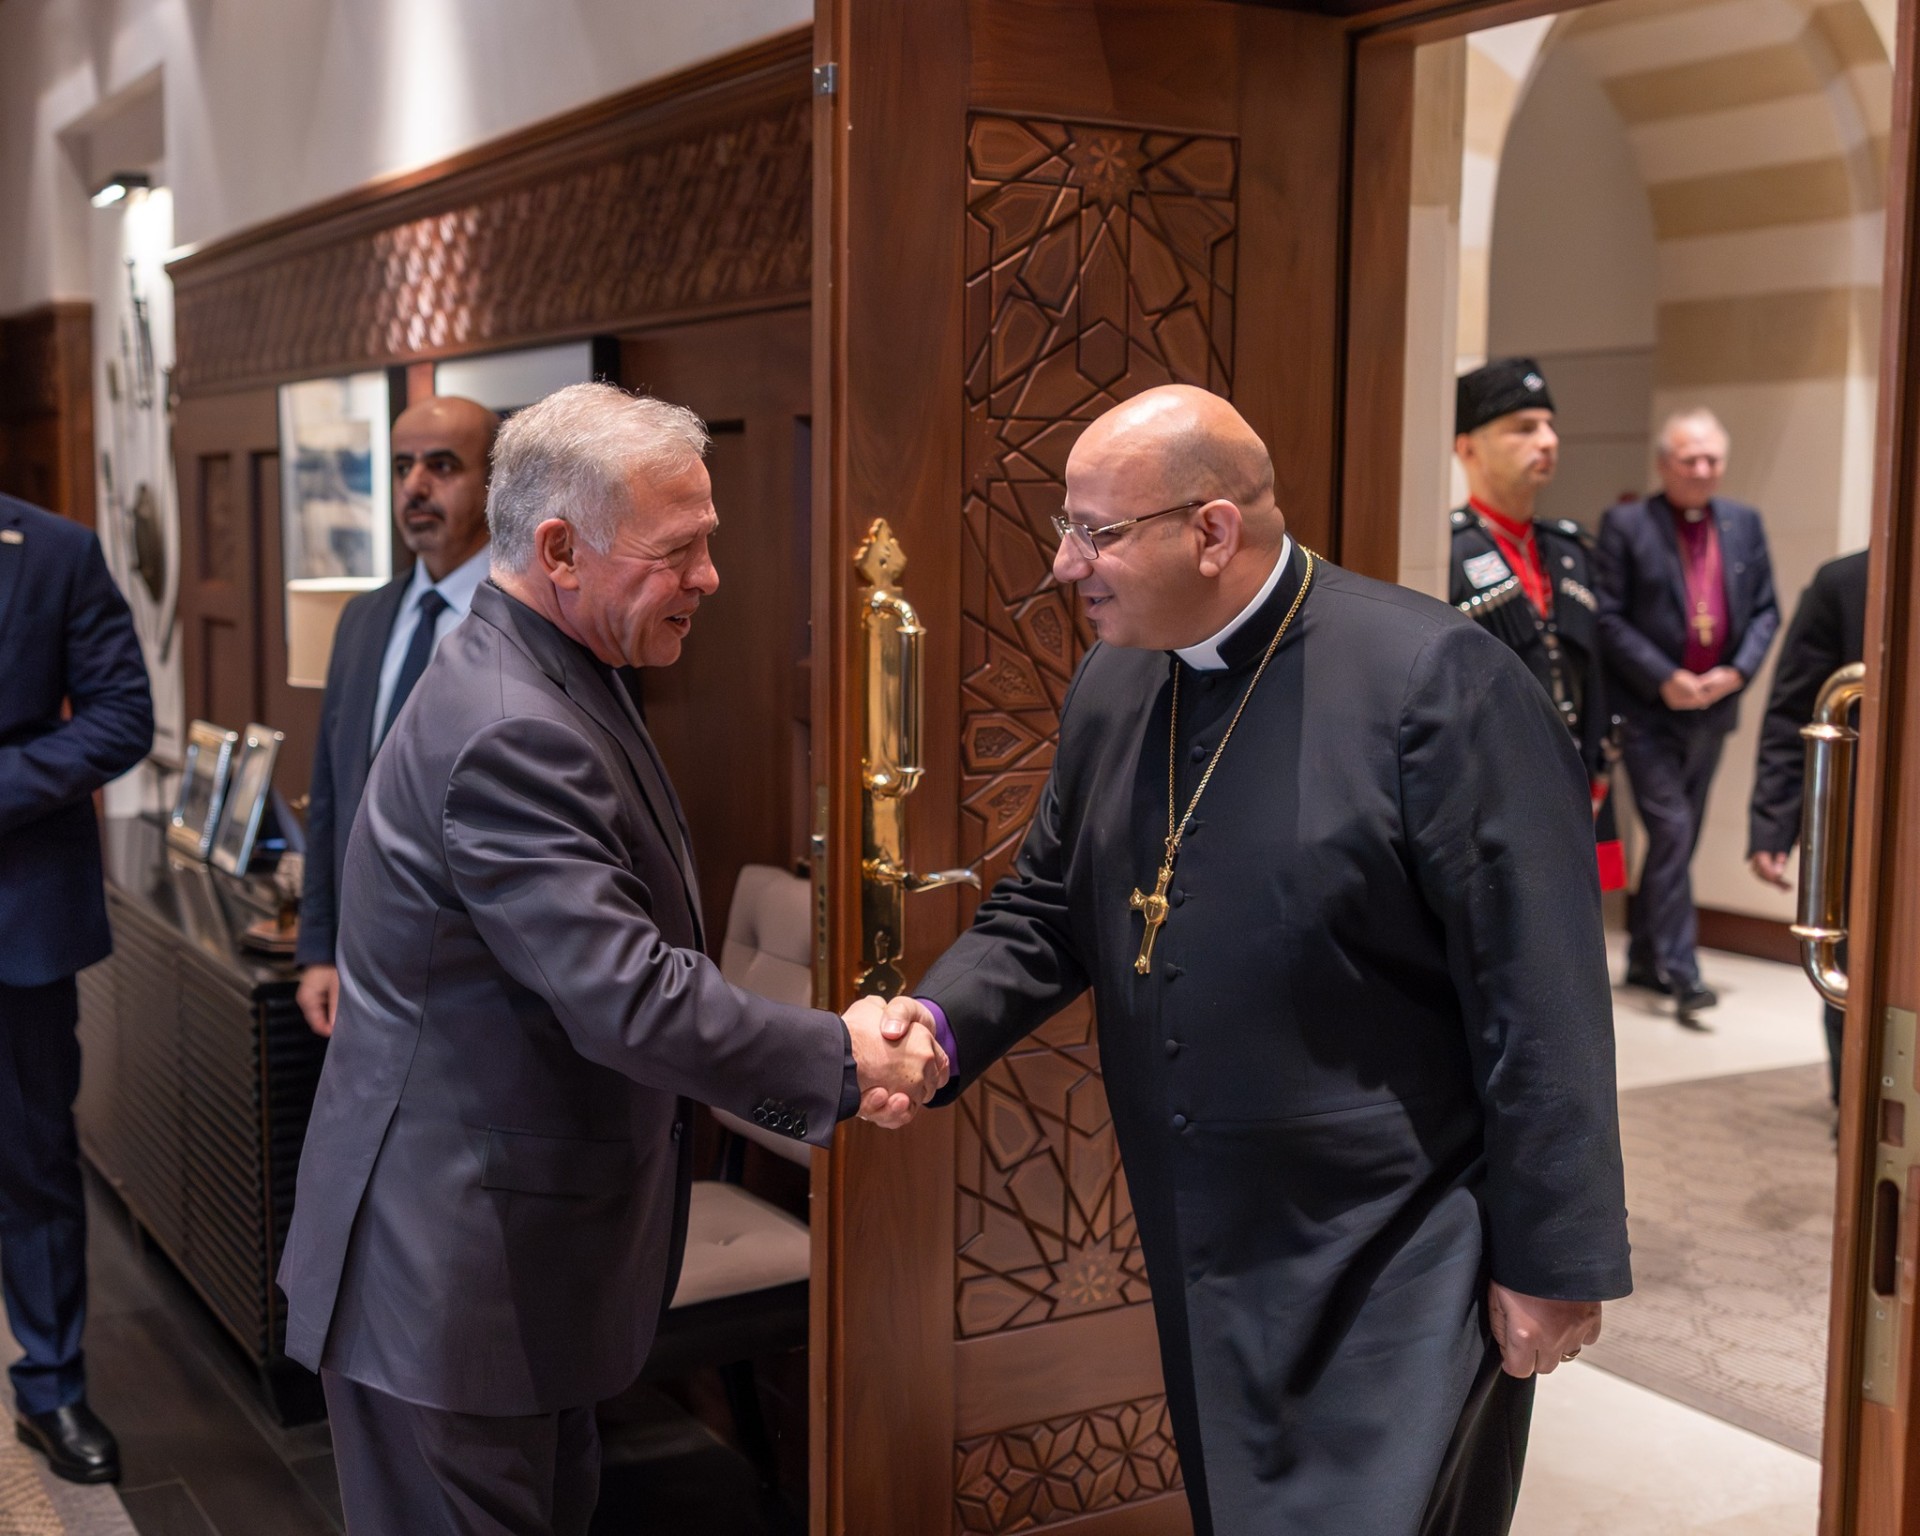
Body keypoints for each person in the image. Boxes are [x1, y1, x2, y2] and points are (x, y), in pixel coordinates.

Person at [880, 386, 1631, 1536]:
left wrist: (1555, 1255)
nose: (1064, 566)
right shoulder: (1117, 675)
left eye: (1097, 534)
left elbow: (1543, 987)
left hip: (1395, 1241)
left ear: (1214, 531)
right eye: (1064, 528)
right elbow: (1048, 907)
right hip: (1208, 1235)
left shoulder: (1435, 680)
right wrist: (935, 1026)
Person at [277, 383, 948, 1536]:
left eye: (709, 544)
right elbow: (627, 993)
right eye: (679, 549)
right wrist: (839, 1053)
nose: (710, 578)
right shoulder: (510, 724)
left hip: (516, 1265)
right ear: (559, 549)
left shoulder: (553, 664)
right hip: (450, 1281)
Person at [0, 493, 154, 1483]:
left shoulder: (54, 552)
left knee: (33, 1160)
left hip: (18, 921)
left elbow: (122, 715)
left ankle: (52, 1388)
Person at [295, 394, 502, 1037]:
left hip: (485, 981)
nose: (415, 485)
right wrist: (318, 947)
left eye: (442, 466)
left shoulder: (533, 626)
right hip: (363, 968)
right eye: (402, 467)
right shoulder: (362, 620)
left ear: (497, 485)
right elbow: (330, 793)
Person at [1595, 409, 1779, 1024]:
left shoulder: (1744, 523)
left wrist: (1737, 673)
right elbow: (1608, 616)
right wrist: (1664, 678)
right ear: (1663, 463)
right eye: (1689, 459)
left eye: (1712, 460)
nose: (1702, 470)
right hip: (1649, 710)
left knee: (1683, 836)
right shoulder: (1627, 524)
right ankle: (1683, 970)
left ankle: (1646, 955)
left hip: (1714, 709)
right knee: (1671, 831)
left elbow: (1765, 613)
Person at [1448, 358, 1622, 892]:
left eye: (1549, 425)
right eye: (1523, 428)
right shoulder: (1446, 552)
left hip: (1576, 784)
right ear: (1468, 447)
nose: (1546, 440)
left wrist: (1595, 774)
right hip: (1489, 794)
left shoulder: (1570, 548)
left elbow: (1594, 672)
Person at [1749, 548, 1868, 1099]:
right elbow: (1797, 711)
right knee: (1855, 981)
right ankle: (1856, 1124)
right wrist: (1774, 824)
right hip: (1867, 834)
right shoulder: (1845, 581)